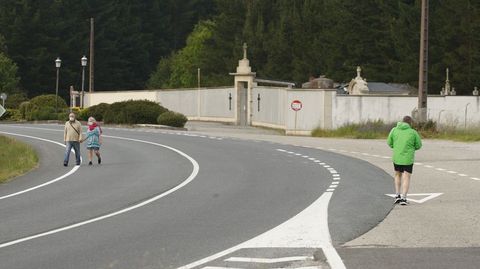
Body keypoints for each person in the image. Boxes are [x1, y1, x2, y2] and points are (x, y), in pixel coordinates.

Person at [387, 115, 422, 205]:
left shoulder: (394, 130)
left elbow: (389, 142)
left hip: (397, 157)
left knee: (397, 175)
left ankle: (397, 195)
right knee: (406, 177)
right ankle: (404, 198)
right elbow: (419, 145)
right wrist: (412, 148)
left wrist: (396, 147)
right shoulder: (413, 132)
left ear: (402, 121)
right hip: (408, 159)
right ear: (410, 123)